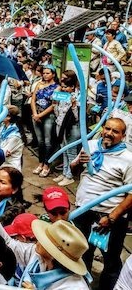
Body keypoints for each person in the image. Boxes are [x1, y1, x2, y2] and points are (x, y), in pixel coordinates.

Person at [71, 117, 132, 290]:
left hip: (110, 216)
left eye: (115, 131)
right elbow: (74, 172)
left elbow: (131, 195)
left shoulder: (128, 158)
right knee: (82, 254)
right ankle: (82, 286)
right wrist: (77, 163)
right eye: (107, 129)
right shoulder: (89, 145)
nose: (109, 133)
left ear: (123, 136)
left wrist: (111, 218)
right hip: (83, 211)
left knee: (111, 260)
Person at [0, 197, 91, 289]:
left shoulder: (75, 287)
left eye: (45, 240)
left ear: (52, 254)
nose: (37, 240)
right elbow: (9, 244)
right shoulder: (37, 255)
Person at [31, 65, 58, 178]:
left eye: (48, 73)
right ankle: (40, 163)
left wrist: (40, 115)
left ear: (53, 74)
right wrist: (35, 114)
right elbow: (33, 99)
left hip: (48, 116)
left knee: (48, 141)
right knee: (40, 141)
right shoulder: (39, 84)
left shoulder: (57, 87)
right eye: (44, 73)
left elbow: (53, 105)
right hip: (36, 113)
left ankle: (47, 165)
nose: (45, 75)